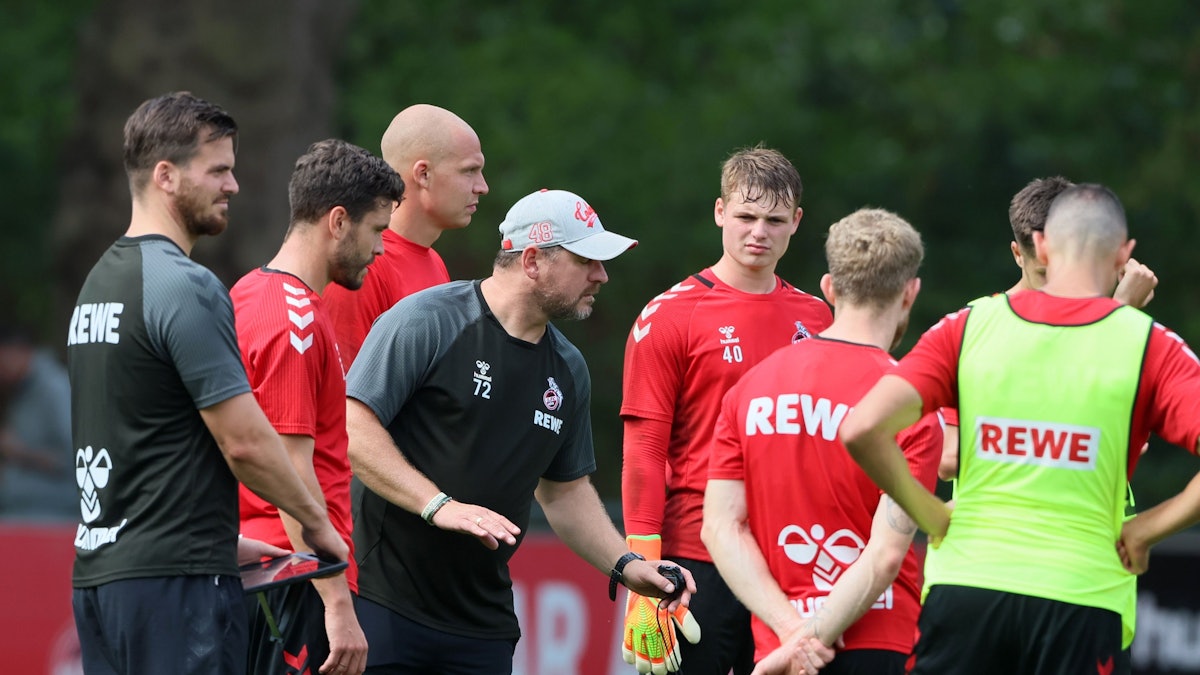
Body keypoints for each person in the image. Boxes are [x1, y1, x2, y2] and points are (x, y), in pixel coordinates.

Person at [840, 184, 1200, 675]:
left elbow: (862, 427)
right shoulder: (1146, 343)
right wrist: (1147, 531)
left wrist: (930, 515)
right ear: (1124, 254)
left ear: (1043, 246)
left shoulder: (969, 326)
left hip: (967, 585)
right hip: (1082, 593)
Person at [345, 188, 694, 674]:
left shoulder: (569, 369)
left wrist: (629, 566)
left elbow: (565, 493)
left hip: (483, 625)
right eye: (586, 260)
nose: (602, 275)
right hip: (383, 606)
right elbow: (353, 427)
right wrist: (438, 506)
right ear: (532, 261)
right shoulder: (428, 320)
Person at [67, 91, 347, 675]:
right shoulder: (184, 286)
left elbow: (133, 440)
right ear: (166, 176)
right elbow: (244, 441)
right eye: (218, 169)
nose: (233, 185)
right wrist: (319, 528)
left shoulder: (100, 283)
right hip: (173, 589)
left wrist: (223, 539)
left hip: (103, 578)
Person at [620, 146, 833, 674]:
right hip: (696, 561)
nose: (758, 232)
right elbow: (644, 452)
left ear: (796, 223)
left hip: (792, 561)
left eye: (774, 220)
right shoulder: (670, 315)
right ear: (720, 212)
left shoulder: (820, 318)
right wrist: (642, 573)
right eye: (745, 216)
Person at [702, 208, 941, 675]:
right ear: (910, 293)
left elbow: (720, 529)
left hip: (778, 652)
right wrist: (812, 638)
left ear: (829, 289)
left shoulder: (748, 389)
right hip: (879, 643)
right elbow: (886, 555)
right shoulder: (909, 405)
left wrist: (792, 636)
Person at [232, 139, 404, 675]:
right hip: (290, 577)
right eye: (377, 230)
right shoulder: (295, 322)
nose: (381, 249)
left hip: (262, 573)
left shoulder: (247, 293)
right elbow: (290, 471)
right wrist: (335, 599)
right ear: (337, 221)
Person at [323, 104, 488, 368]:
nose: (482, 187)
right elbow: (344, 394)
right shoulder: (363, 265)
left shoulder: (434, 261)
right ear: (423, 174)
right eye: (469, 171)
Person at [0, 324, 75, 520]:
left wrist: (20, 452)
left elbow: (74, 458)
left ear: (18, 351)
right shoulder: (20, 389)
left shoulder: (54, 387)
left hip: (55, 504)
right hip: (22, 498)